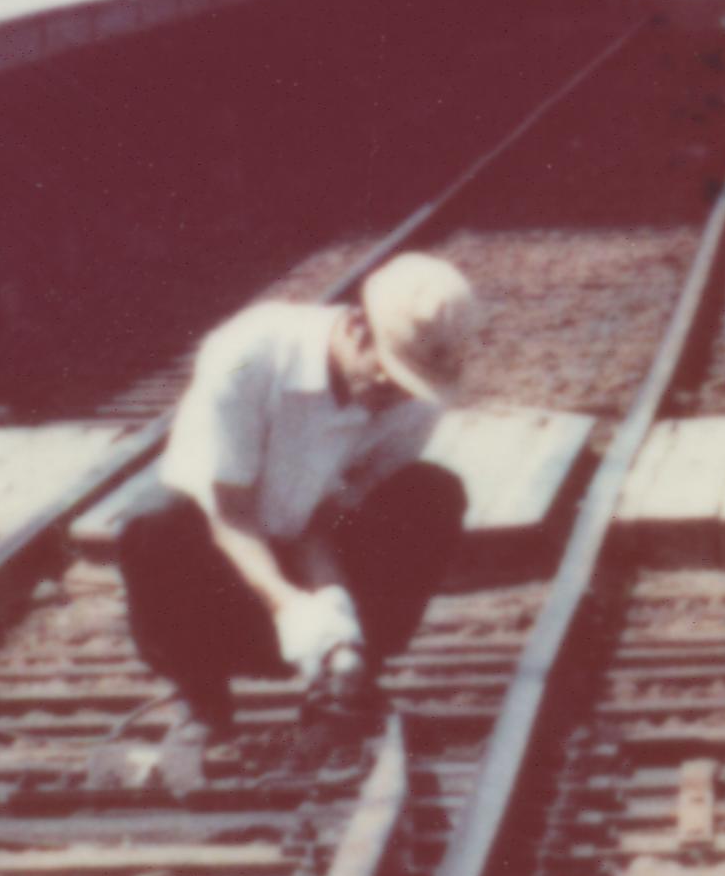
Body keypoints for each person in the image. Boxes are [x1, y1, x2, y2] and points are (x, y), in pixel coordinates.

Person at [106, 254, 479, 737]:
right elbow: (230, 509)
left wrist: (333, 607)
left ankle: (345, 682)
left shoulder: (410, 401)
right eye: (389, 376)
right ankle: (201, 698)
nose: (397, 398)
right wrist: (289, 607)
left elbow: (328, 510)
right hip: (218, 555)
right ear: (358, 329)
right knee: (154, 520)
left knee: (431, 493)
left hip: (302, 537)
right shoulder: (249, 354)